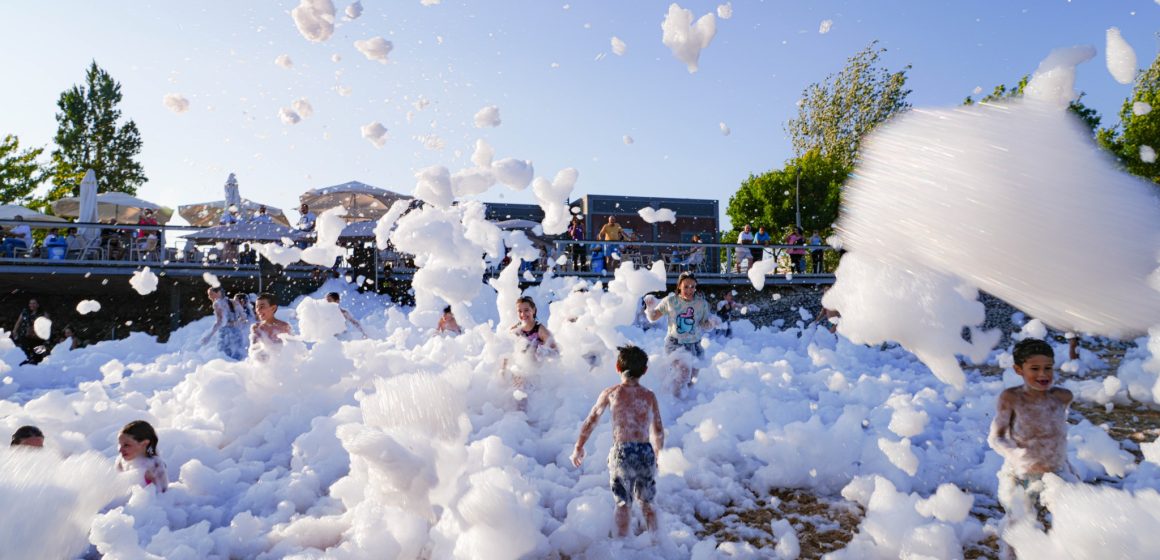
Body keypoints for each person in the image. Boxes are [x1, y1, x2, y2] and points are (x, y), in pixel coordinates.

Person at [571, 345, 664, 538]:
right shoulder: (649, 396)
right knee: (648, 503)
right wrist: (657, 455)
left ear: (617, 367)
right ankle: (658, 542)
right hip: (645, 453)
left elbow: (591, 421)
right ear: (645, 371)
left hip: (622, 453)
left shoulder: (611, 393)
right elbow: (658, 430)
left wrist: (579, 447)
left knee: (623, 503)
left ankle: (621, 547)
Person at [988, 338, 1075, 530]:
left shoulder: (1063, 397)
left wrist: (1067, 465)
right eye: (1034, 369)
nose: (1043, 374)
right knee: (1019, 525)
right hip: (1022, 474)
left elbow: (1056, 434)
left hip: (1056, 471)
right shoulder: (1011, 398)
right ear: (1019, 370)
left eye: (1048, 368)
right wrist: (1020, 457)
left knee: (1072, 519)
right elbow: (996, 437)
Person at [645, 272, 715, 396]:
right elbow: (654, 317)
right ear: (679, 287)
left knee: (692, 379)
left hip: (695, 345)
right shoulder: (670, 301)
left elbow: (704, 324)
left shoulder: (701, 304)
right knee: (683, 373)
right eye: (686, 286)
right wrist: (650, 308)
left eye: (693, 286)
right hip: (675, 344)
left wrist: (711, 324)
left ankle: (687, 404)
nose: (690, 290)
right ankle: (675, 399)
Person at [116, 420, 169, 492]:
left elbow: (162, 495)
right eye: (120, 444)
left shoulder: (155, 467)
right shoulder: (121, 463)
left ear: (144, 443)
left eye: (126, 445)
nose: (120, 450)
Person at [201, 287, 246, 359]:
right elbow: (244, 316)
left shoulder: (217, 304)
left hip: (225, 335)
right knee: (238, 357)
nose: (209, 297)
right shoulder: (233, 302)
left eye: (211, 294)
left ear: (218, 293)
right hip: (237, 333)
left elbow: (220, 322)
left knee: (224, 358)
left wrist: (209, 336)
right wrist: (236, 323)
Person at [10, 297, 49, 365]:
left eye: (34, 303)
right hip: (25, 335)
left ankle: (37, 366)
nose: (32, 305)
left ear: (38, 305)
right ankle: (24, 365)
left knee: (38, 356)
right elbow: (19, 322)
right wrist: (14, 330)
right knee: (25, 351)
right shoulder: (25, 311)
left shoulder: (43, 313)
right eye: (30, 303)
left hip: (37, 338)